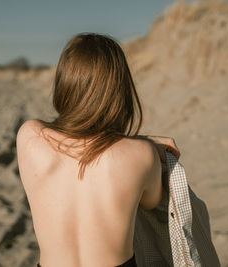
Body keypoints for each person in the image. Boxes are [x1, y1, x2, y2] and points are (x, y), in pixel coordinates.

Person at [16, 33, 180, 267]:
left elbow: (79, 141)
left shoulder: (29, 136)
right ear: (119, 90)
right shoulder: (141, 155)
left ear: (65, 84)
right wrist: (146, 142)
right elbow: (152, 202)